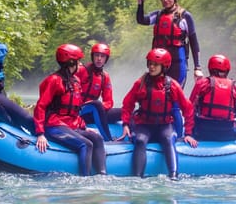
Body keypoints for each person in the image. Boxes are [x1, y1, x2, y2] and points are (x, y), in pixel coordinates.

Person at [119, 48, 197, 180]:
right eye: (150, 63)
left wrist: (188, 133)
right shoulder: (140, 83)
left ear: (164, 67)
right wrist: (125, 124)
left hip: (164, 126)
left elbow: (188, 109)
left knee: (168, 139)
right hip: (144, 125)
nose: (151, 67)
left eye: (155, 64)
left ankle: (173, 176)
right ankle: (137, 178)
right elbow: (127, 104)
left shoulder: (172, 85)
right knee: (140, 141)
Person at [34, 44, 107, 176]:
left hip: (70, 126)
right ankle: (85, 179)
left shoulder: (75, 81)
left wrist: (84, 127)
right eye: (78, 62)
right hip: (54, 126)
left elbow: (75, 111)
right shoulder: (54, 80)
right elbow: (41, 106)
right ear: (71, 63)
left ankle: (102, 175)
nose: (80, 65)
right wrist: (40, 133)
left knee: (97, 138)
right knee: (86, 144)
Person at [136, 0, 203, 86]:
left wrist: (197, 67)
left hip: (178, 63)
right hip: (159, 64)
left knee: (174, 92)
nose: (165, 0)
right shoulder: (158, 15)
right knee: (157, 93)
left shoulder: (185, 16)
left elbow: (194, 43)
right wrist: (140, 3)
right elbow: (141, 20)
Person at [188, 54, 236, 141]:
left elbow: (189, 107)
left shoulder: (202, 83)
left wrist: (188, 132)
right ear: (227, 70)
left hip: (204, 130)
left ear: (210, 69)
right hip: (227, 132)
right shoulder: (233, 87)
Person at [75, 42, 120, 141]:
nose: (99, 59)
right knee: (96, 104)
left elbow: (109, 101)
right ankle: (108, 139)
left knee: (124, 112)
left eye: (102, 56)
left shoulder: (105, 76)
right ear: (92, 57)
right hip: (77, 111)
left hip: (93, 112)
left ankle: (132, 137)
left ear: (106, 59)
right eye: (97, 55)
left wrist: (101, 109)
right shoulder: (81, 71)